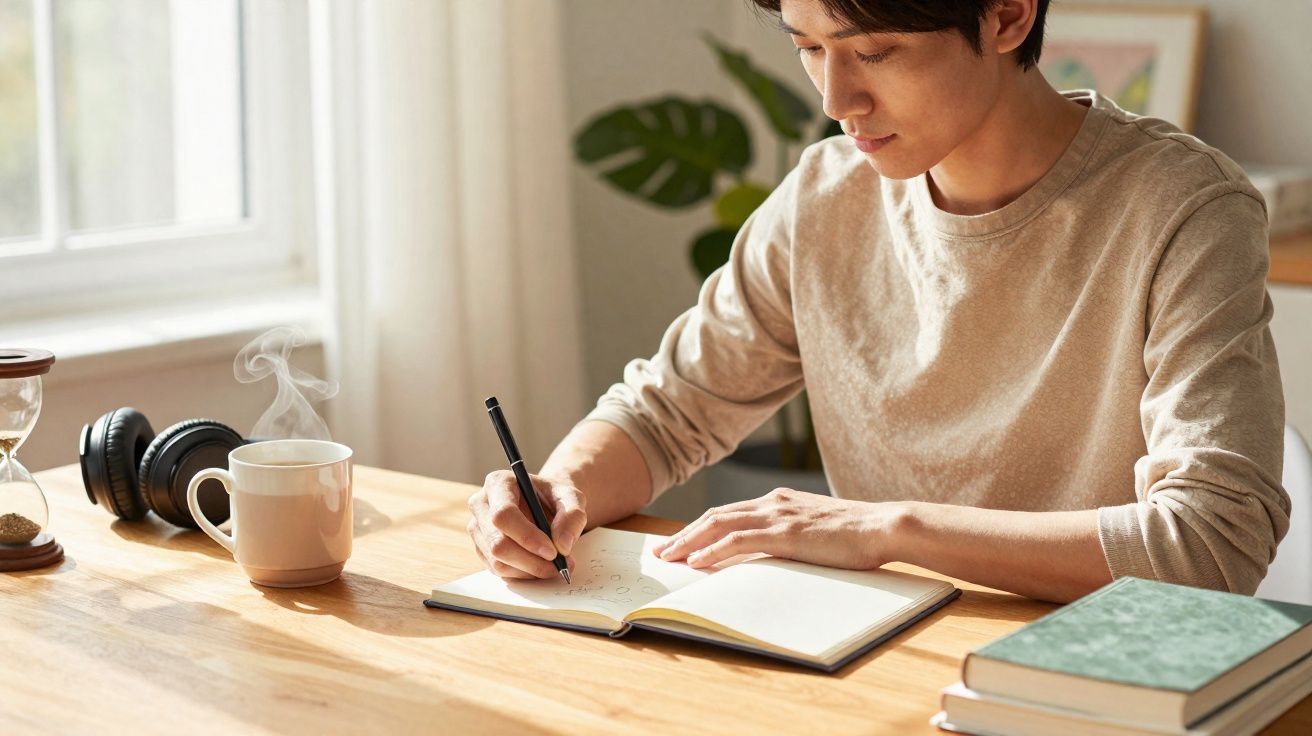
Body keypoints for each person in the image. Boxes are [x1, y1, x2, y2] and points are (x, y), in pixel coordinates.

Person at [465, 0, 1288, 603]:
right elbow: (665, 415)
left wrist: (886, 528)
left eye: (878, 51)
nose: (836, 100)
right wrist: (558, 490)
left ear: (1007, 17)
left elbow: (1211, 540)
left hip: (1088, 682)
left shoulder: (1182, 209)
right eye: (810, 48)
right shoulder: (826, 195)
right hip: (874, 656)